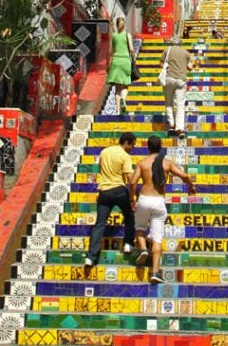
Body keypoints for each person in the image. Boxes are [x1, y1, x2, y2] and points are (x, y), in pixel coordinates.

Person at [129, 135, 196, 284]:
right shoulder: (167, 163)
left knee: (140, 229)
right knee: (158, 239)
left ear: (148, 147)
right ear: (160, 148)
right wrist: (191, 187)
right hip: (159, 201)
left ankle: (144, 248)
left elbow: (133, 183)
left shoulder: (142, 163)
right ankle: (155, 272)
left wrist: (131, 200)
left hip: (144, 199)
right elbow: (184, 175)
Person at [84, 132, 136, 275]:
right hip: (119, 190)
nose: (132, 148)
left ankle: (90, 257)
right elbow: (131, 179)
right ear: (127, 142)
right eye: (132, 145)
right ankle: (128, 244)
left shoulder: (104, 151)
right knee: (130, 215)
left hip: (104, 191)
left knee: (99, 224)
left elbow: (100, 169)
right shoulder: (125, 156)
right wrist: (132, 198)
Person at [160, 35, 194, 141]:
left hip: (169, 79)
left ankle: (171, 123)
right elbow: (190, 67)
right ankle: (179, 128)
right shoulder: (186, 53)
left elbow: (161, 64)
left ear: (172, 43)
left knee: (168, 102)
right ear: (180, 43)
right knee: (180, 105)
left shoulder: (167, 50)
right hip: (181, 80)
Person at [107, 16, 134, 114]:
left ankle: (118, 111)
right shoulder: (128, 35)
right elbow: (131, 49)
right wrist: (133, 57)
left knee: (117, 88)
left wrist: (107, 64)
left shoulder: (113, 36)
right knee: (126, 85)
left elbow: (110, 51)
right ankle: (124, 98)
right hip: (125, 61)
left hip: (116, 61)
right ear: (124, 24)